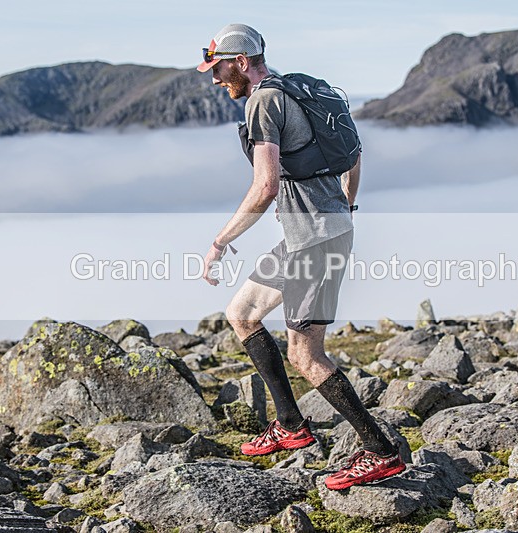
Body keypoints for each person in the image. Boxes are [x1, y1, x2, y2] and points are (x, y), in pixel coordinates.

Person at [196, 23, 405, 490]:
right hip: (305, 234)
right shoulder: (301, 89)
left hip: (315, 240)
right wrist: (346, 207)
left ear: (241, 62)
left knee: (305, 354)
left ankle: (380, 450)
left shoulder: (263, 101)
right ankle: (291, 426)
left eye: (219, 67)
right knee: (243, 313)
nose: (214, 78)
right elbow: (352, 152)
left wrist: (220, 241)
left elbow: (265, 186)